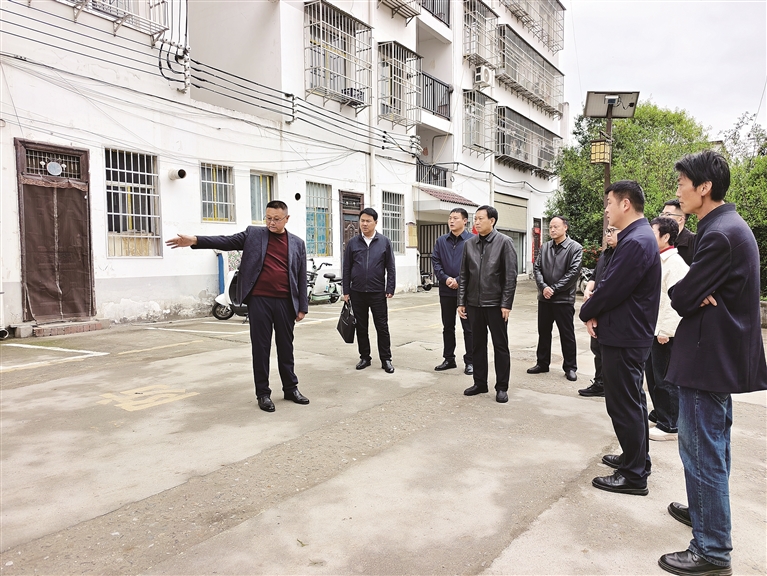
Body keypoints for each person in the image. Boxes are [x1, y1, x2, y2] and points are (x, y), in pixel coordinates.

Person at [658, 150, 767, 576]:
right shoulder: (725, 226)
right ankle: (705, 511)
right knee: (712, 445)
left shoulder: (720, 233)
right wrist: (693, 289)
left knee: (702, 451)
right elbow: (693, 292)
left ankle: (712, 550)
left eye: (683, 183)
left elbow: (682, 296)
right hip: (716, 355)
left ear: (704, 188)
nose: (679, 190)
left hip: (708, 357)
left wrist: (688, 290)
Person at [165, 200, 310, 413]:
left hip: (285, 302)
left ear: (286, 219)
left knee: (286, 348)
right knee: (260, 348)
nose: (271, 222)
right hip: (260, 301)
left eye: (276, 219)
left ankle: (291, 388)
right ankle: (263, 393)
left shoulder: (297, 243)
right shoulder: (254, 235)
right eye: (268, 218)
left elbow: (301, 275)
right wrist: (195, 240)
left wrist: (302, 306)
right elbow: (226, 241)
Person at [579, 180, 661, 496]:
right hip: (626, 332)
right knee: (632, 403)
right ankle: (635, 459)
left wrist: (587, 311)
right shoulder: (636, 237)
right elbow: (610, 284)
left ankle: (634, 476)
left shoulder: (636, 241)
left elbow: (612, 288)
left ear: (625, 204)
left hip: (626, 336)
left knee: (624, 405)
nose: (606, 210)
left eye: (609, 203)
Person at [457, 206, 518, 403]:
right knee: (477, 345)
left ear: (492, 221)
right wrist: (461, 301)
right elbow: (464, 275)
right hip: (474, 304)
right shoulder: (469, 244)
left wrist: (506, 304)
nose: (476, 222)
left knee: (500, 346)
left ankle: (502, 387)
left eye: (480, 218)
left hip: (495, 304)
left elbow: (510, 276)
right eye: (475, 218)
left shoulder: (504, 242)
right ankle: (480, 383)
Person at [645, 216, 689, 442]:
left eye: (653, 233)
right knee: (653, 376)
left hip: (664, 332)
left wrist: (666, 330)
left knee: (665, 379)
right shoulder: (658, 259)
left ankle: (671, 424)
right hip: (653, 328)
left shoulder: (675, 263)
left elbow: (677, 301)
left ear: (666, 237)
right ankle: (661, 413)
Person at [528, 216, 583, 381]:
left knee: (567, 334)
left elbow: (573, 273)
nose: (552, 230)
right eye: (550, 227)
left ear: (565, 227)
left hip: (563, 299)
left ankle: (570, 367)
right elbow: (537, 268)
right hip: (544, 298)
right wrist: (544, 287)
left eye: (556, 227)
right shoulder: (545, 247)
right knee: (544, 332)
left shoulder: (575, 248)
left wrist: (554, 288)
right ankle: (542, 363)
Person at [343, 208, 396, 374]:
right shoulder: (353, 243)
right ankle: (365, 357)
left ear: (375, 223)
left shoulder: (384, 242)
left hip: (377, 292)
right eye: (362, 221)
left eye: (368, 221)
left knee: (382, 326)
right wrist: (346, 290)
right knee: (361, 327)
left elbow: (390, 267)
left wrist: (390, 287)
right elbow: (347, 267)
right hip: (357, 291)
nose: (364, 224)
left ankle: (386, 359)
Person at [577, 226, 618, 397]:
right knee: (597, 348)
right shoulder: (605, 254)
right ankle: (600, 382)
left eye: (612, 231)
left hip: (609, 309)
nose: (608, 235)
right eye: (607, 231)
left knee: (610, 354)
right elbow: (595, 276)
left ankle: (610, 386)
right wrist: (588, 290)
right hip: (597, 306)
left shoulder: (622, 256)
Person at [432, 208, 474, 375]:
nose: (451, 221)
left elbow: (474, 265)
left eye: (455, 218)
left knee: (468, 328)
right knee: (448, 326)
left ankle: (470, 361)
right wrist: (445, 278)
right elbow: (436, 261)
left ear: (464, 221)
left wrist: (458, 280)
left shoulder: (472, 240)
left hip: (466, 291)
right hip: (446, 290)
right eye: (450, 218)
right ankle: (449, 358)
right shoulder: (441, 241)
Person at [659, 198, 695, 266]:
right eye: (662, 214)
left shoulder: (694, 242)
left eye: (668, 214)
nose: (663, 218)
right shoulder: (659, 239)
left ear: (680, 219)